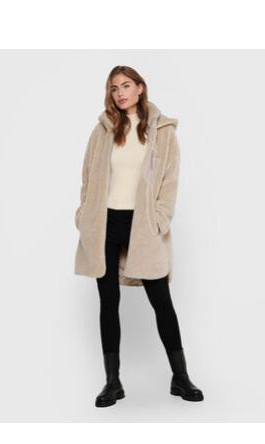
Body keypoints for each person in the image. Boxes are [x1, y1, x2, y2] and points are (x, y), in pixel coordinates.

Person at [74, 65, 204, 407]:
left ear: (141, 88)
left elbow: (170, 181)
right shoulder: (103, 130)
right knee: (108, 302)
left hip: (143, 224)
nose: (120, 93)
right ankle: (112, 382)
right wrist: (84, 215)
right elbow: (87, 177)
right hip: (105, 224)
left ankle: (180, 377)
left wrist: (159, 220)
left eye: (126, 85)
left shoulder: (162, 131)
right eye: (114, 88)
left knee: (162, 302)